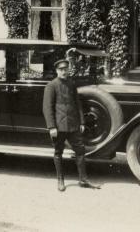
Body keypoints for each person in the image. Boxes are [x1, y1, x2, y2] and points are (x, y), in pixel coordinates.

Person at [43, 59, 100, 191]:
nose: (64, 72)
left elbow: (77, 104)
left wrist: (81, 122)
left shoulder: (71, 84)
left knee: (80, 151)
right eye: (61, 69)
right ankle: (60, 180)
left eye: (66, 69)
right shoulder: (51, 86)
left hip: (74, 125)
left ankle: (83, 179)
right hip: (59, 126)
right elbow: (47, 108)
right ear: (57, 71)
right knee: (58, 152)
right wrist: (51, 127)